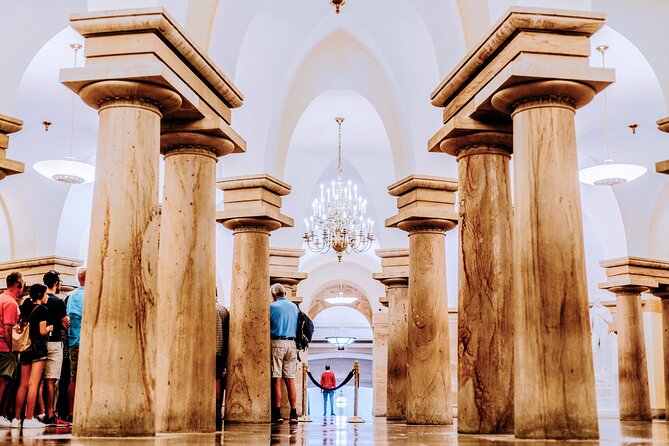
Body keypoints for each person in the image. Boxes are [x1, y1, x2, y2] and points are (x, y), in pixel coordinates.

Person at [12, 284, 53, 429]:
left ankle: (16, 419)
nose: (47, 297)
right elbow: (42, 331)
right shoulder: (43, 310)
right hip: (38, 349)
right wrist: (49, 328)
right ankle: (29, 418)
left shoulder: (25, 307)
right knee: (33, 384)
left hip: (25, 349)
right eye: (46, 294)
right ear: (40, 294)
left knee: (22, 385)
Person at [41, 270, 69, 426]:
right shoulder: (58, 302)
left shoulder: (40, 299)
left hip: (40, 342)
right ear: (57, 283)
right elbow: (66, 323)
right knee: (51, 380)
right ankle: (50, 414)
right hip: (55, 342)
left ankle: (38, 412)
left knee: (39, 381)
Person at [269, 283, 299, 424]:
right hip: (292, 344)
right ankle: (294, 413)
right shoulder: (294, 307)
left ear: (274, 295)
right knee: (290, 379)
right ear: (285, 293)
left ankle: (277, 413)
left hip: (277, 343)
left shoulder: (272, 307)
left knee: (277, 378)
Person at [0, 272, 23, 427]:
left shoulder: (1, 298)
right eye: (22, 282)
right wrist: (12, 348)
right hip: (4, 347)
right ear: (17, 284)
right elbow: (8, 329)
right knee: (3, 382)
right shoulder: (10, 303)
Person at [66, 268, 86, 423]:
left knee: (73, 378)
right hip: (86, 342)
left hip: (73, 341)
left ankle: (72, 413)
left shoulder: (71, 296)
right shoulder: (89, 295)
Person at [215, 300, 229, 430]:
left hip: (204, 351)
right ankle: (218, 411)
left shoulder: (204, 308)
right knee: (218, 381)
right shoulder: (224, 310)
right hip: (220, 352)